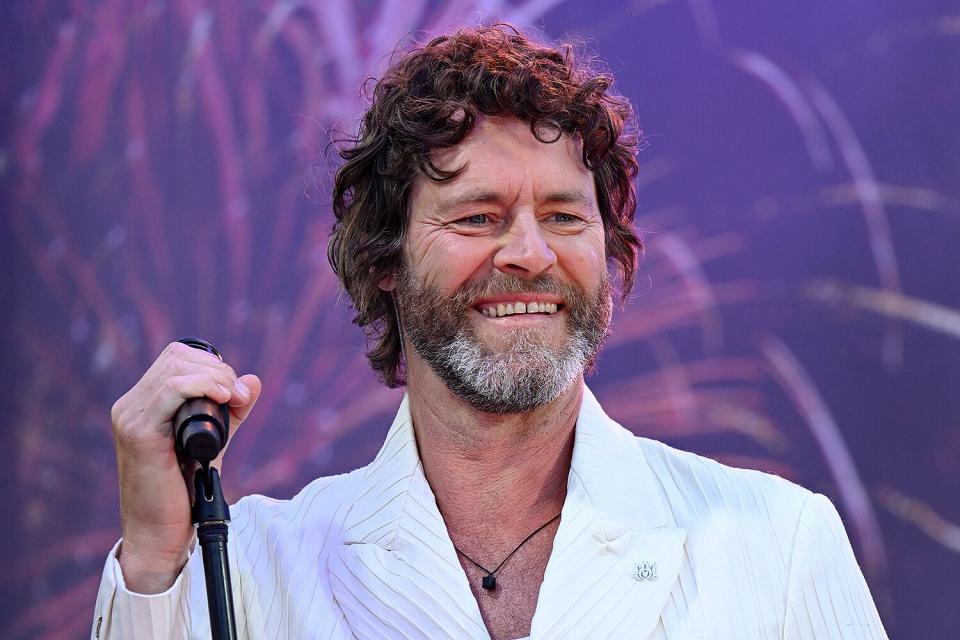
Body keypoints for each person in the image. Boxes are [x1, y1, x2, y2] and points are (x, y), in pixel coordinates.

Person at [92, 24, 888, 640]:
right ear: (385, 261)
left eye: (564, 216)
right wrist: (158, 557)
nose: (531, 254)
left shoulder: (778, 547)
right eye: (478, 216)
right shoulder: (256, 566)